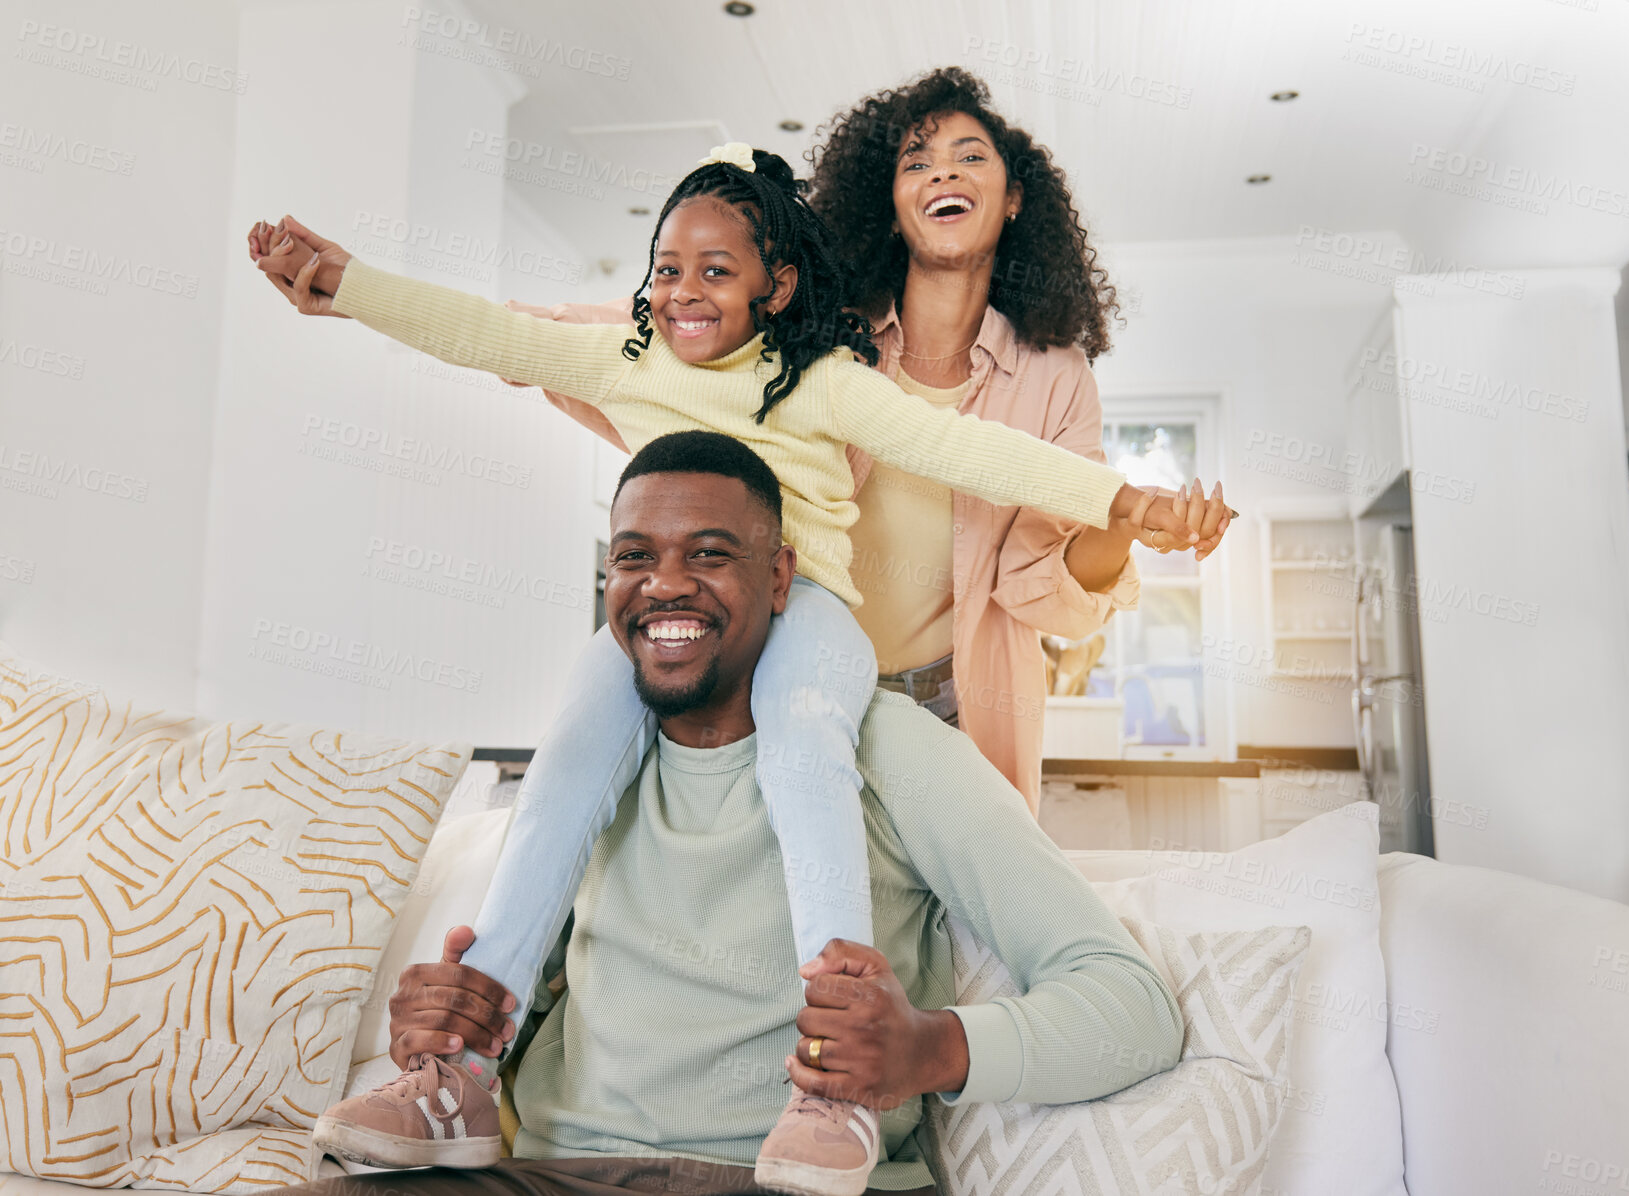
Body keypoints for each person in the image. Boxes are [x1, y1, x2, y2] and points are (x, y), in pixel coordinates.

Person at [251, 145, 1195, 1193]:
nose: (684, 289)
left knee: (803, 741)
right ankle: (461, 1065)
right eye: (666, 268)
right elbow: (493, 335)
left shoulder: (828, 386)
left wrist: (1122, 503)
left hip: (818, 613)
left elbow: (969, 451)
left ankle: (831, 1076)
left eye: (715, 269)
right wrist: (347, 288)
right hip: (557, 1158)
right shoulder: (628, 361)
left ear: (774, 284)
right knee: (567, 752)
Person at [285, 432, 1184, 1196]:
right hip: (555, 1175)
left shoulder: (893, 749)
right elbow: (533, 1000)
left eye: (709, 554)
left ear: (781, 576)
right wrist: (451, 1024)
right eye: (633, 556)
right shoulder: (588, 772)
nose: (663, 585)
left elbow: (1134, 1006)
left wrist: (929, 1051)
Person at [476, 67, 1236, 812]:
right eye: (917, 162)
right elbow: (663, 320)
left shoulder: (1055, 376)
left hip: (954, 701)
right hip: (783, 671)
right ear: (892, 205)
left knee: (953, 925)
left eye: (970, 157)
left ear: (1011, 201)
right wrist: (514, 338)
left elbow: (1041, 587)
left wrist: (1125, 523)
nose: (944, 173)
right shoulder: (817, 329)